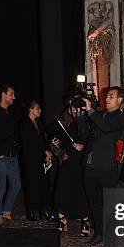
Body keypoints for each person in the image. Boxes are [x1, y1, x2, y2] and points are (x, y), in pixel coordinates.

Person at [80, 87, 124, 247]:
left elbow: (106, 128)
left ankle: (111, 240)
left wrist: (91, 111)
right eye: (107, 96)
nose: (107, 99)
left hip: (107, 167)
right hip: (90, 164)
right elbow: (86, 134)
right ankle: (99, 233)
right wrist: (81, 115)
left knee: (109, 205)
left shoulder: (122, 116)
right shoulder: (99, 114)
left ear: (120, 100)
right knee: (94, 203)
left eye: (112, 96)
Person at [52, 97, 90, 234]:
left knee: (80, 191)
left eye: (77, 107)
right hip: (67, 161)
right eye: (72, 107)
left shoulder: (86, 121)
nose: (74, 110)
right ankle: (62, 219)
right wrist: (59, 149)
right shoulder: (63, 122)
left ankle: (85, 221)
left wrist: (83, 145)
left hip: (81, 161)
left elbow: (92, 140)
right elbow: (56, 143)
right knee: (62, 189)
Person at [0, 84, 22, 226]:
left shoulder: (10, 113)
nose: (14, 97)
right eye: (11, 94)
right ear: (3, 95)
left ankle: (7, 211)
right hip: (0, 156)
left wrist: (16, 148)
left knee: (16, 184)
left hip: (12, 155)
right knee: (1, 186)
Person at [19, 101, 52, 221]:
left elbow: (43, 140)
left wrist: (47, 151)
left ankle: (44, 209)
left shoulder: (39, 123)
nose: (40, 111)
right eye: (38, 109)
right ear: (31, 109)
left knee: (43, 184)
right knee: (31, 185)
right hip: (30, 159)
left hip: (40, 158)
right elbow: (30, 142)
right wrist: (44, 151)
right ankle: (31, 210)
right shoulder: (24, 124)